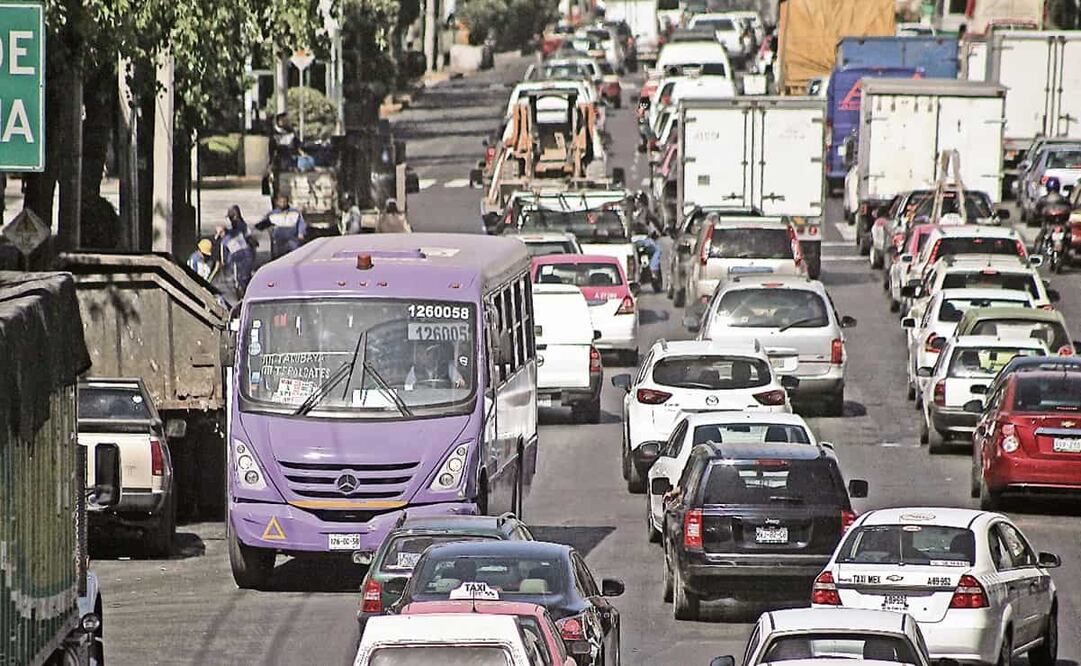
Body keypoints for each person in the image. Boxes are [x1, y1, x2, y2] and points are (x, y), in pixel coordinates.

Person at [221, 205, 256, 295]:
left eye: (231, 218)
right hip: (246, 253)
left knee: (240, 278)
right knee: (245, 276)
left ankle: (242, 294)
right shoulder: (241, 226)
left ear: (235, 216)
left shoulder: (241, 226)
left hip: (240, 254)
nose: (230, 220)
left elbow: (247, 238)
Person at [1033, 176, 1071, 250]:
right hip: (1056, 226)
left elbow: (1036, 212)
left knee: (1040, 238)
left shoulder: (1043, 200)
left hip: (1056, 226)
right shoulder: (1064, 199)